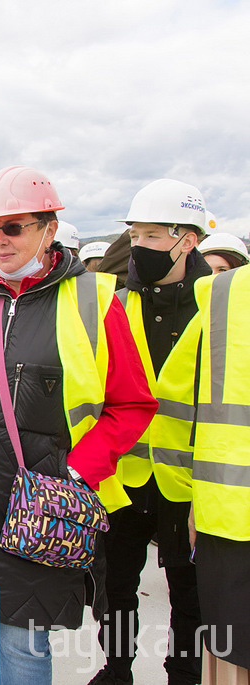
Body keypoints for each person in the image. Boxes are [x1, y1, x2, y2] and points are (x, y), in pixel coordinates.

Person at [0, 165, 157, 684]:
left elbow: (134, 406)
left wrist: (76, 473)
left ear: (49, 230)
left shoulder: (94, 301)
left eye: (15, 227)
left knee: (22, 645)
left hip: (34, 506)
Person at [90, 179, 211, 685]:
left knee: (190, 594)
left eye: (153, 236)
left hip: (188, 489)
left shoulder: (217, 311)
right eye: (134, 236)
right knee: (115, 588)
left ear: (188, 240)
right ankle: (117, 668)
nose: (139, 247)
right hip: (124, 479)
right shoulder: (116, 305)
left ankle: (183, 673)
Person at [168, 267, 250, 685]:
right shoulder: (223, 294)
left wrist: (188, 493)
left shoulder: (226, 294)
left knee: (230, 656)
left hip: (230, 514)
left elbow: (173, 401)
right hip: (227, 516)